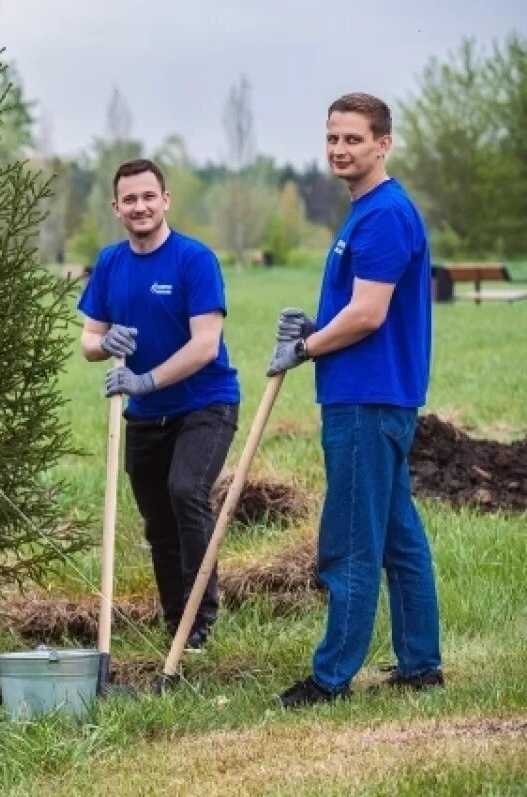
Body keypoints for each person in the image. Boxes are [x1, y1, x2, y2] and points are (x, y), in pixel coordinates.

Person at [267, 93, 442, 709]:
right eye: (333, 138)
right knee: (397, 536)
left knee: (348, 542)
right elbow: (359, 304)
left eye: (354, 140)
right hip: (372, 394)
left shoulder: (384, 215)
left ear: (383, 144)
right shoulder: (367, 211)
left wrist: (307, 347)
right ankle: (421, 665)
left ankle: (331, 678)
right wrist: (313, 325)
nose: (340, 150)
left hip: (366, 400)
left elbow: (368, 315)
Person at [77, 158, 240, 652]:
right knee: (158, 522)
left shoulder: (194, 259)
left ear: (165, 200)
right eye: (130, 199)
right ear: (116, 207)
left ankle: (200, 618)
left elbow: (205, 345)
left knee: (186, 491)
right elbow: (89, 338)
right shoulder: (110, 263)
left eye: (149, 196)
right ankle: (178, 623)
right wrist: (106, 346)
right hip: (146, 418)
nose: (140, 206)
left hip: (204, 404)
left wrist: (145, 379)